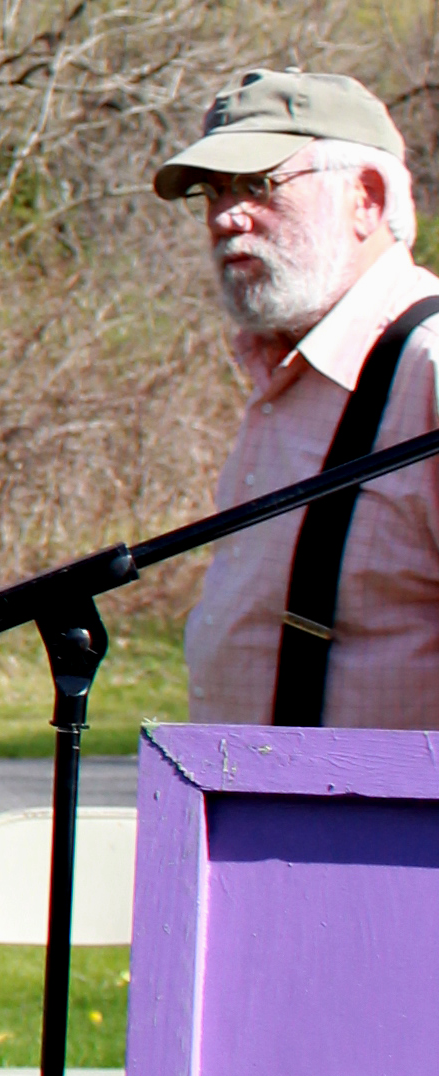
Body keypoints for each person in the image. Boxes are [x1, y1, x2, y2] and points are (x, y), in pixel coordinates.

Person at [159, 71, 439, 726]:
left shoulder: (428, 367)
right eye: (214, 192)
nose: (228, 217)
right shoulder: (285, 375)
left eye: (258, 185)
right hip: (264, 815)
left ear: (365, 200)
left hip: (393, 827)